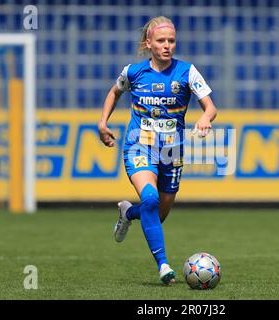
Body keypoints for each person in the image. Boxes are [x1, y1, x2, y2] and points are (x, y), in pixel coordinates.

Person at [98, 16, 217, 285]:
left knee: (157, 214)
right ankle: (164, 265)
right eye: (161, 41)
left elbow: (210, 106)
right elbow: (114, 93)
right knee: (150, 198)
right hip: (139, 145)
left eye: (171, 41)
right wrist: (102, 123)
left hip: (172, 152)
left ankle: (128, 213)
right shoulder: (133, 72)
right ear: (148, 43)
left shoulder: (187, 72)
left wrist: (205, 118)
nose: (167, 46)